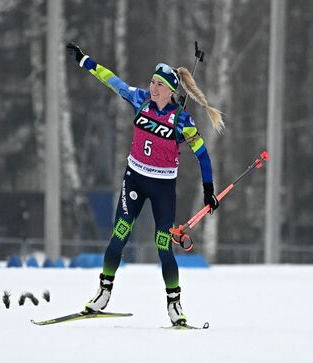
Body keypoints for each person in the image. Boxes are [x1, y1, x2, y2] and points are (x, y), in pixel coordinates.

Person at [66, 42, 224, 326]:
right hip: (135, 180)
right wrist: (84, 60)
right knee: (120, 235)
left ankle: (175, 305)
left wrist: (209, 191)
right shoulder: (139, 100)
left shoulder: (182, 121)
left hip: (163, 188)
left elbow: (203, 156)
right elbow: (112, 80)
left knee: (163, 246)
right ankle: (103, 293)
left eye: (159, 85)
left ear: (171, 90)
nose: (153, 88)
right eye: (152, 82)